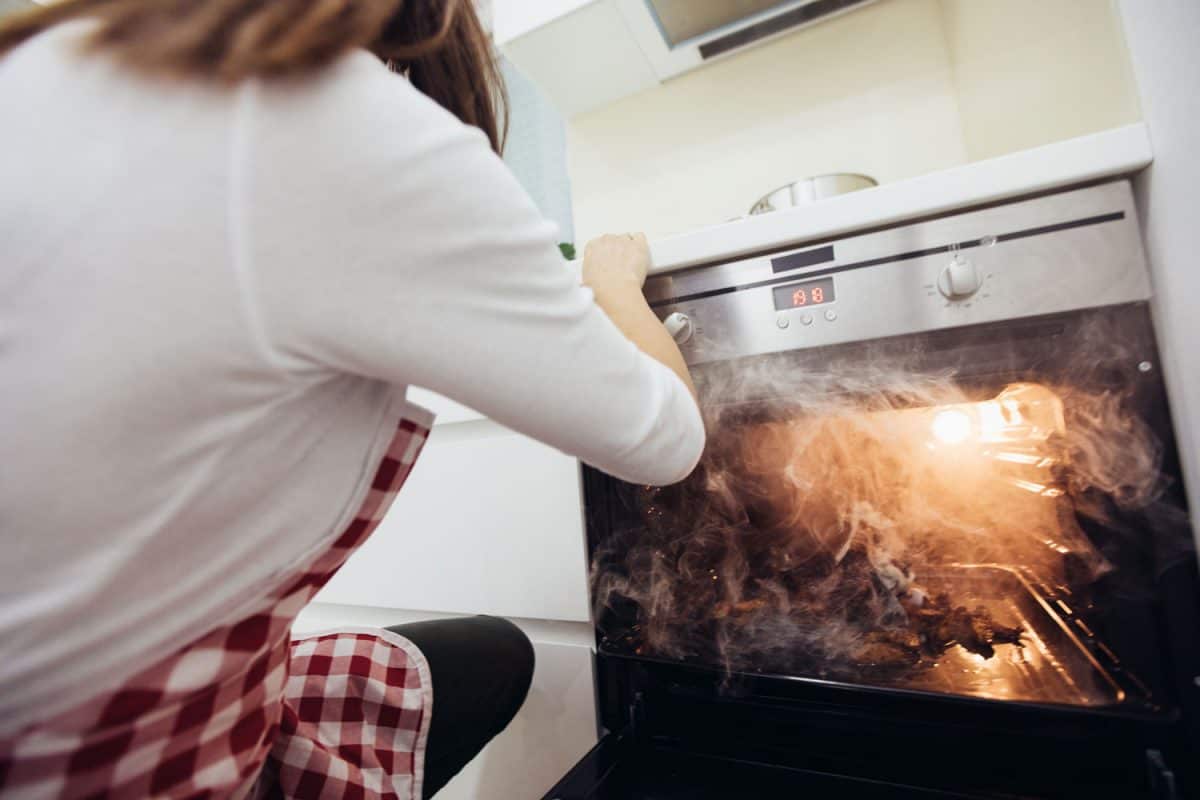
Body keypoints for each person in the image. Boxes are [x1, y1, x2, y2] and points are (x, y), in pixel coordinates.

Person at [0, 0, 705, 797]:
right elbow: (666, 440)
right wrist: (615, 288)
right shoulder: (339, 122)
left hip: (92, 714)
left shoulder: (53, 67)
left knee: (484, 652)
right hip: (121, 770)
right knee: (493, 656)